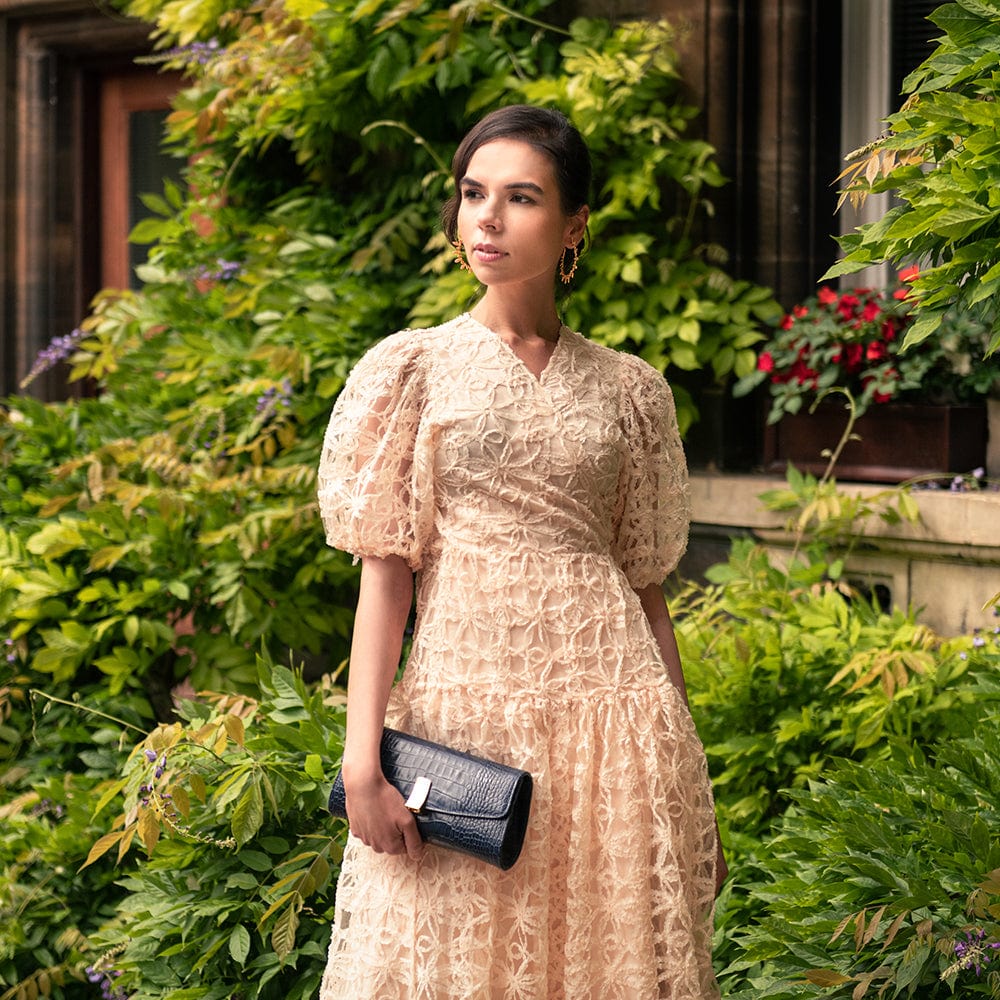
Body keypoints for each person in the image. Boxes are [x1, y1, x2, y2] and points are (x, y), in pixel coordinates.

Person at [317, 104, 725, 1000]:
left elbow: (647, 588)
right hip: (463, 720)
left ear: (574, 225)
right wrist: (362, 762)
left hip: (615, 720)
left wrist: (682, 766)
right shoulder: (411, 370)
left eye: (520, 197)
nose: (487, 219)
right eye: (472, 195)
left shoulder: (632, 391)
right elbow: (386, 576)